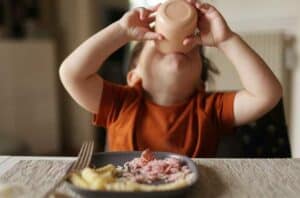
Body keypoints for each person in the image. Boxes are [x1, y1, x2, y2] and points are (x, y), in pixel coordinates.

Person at [59, 0, 282, 157]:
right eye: (156, 42)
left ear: (200, 83)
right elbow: (71, 74)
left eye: (192, 49)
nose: (174, 45)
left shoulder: (209, 109)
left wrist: (226, 40)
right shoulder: (121, 103)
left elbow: (267, 95)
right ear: (134, 75)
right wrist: (121, 31)